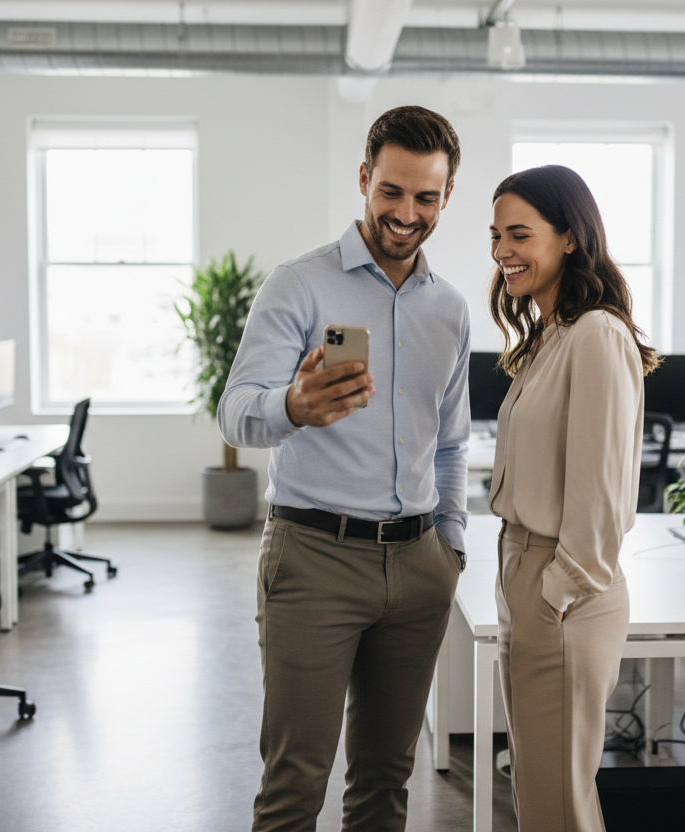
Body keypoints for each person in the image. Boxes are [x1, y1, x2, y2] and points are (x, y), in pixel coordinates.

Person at [218, 106, 471, 832]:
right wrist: (294, 405)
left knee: (386, 783)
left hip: (418, 564)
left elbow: (451, 442)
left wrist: (448, 546)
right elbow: (236, 412)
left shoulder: (450, 310)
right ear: (364, 180)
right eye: (391, 191)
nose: (406, 213)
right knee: (295, 783)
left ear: (445, 198)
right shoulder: (298, 285)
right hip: (313, 559)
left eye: (426, 197)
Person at [487, 165, 659, 831]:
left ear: (568, 238)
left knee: (558, 804)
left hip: (562, 587)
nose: (503, 251)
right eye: (496, 235)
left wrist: (554, 592)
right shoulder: (550, 334)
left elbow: (603, 491)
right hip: (526, 573)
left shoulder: (596, 334)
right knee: (542, 792)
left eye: (520, 234)